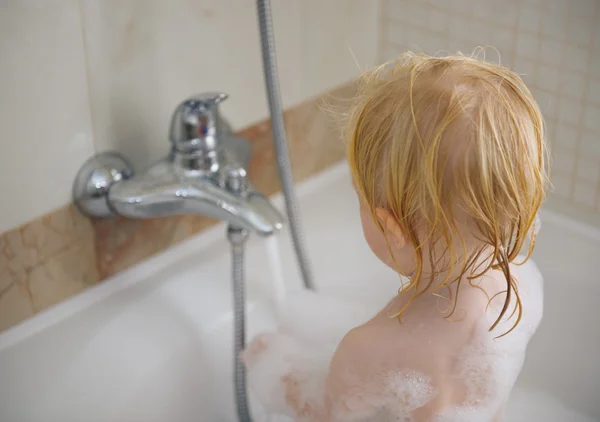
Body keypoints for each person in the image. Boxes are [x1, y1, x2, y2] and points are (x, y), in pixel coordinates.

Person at [242, 52, 548, 422]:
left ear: (390, 228)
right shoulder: (515, 287)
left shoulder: (371, 347)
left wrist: (279, 371)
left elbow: (322, 413)